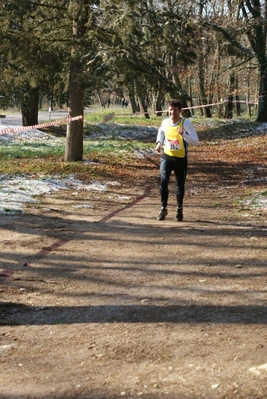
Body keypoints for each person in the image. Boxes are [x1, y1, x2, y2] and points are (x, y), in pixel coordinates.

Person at [155, 99, 199, 221]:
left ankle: (179, 208)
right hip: (167, 156)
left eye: (175, 110)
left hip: (180, 159)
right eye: (170, 110)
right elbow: (161, 132)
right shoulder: (165, 122)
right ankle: (163, 208)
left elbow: (196, 141)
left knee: (180, 185)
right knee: (163, 182)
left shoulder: (186, 123)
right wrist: (159, 143)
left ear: (180, 111)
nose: (172, 112)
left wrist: (184, 134)